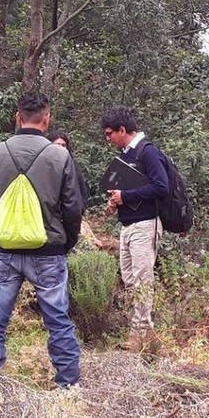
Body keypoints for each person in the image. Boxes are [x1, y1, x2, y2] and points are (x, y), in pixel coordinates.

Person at [0, 92, 83, 388]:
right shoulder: (59, 156)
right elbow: (73, 207)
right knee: (57, 319)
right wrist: (65, 243)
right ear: (47, 120)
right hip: (48, 251)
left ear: (17, 117)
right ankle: (68, 384)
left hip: (5, 250)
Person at [102, 106, 168, 353]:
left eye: (109, 133)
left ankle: (140, 337)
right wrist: (116, 201)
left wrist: (126, 196)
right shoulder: (127, 155)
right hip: (128, 225)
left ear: (122, 129)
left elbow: (162, 187)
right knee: (131, 281)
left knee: (142, 282)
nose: (108, 139)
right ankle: (146, 335)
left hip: (146, 224)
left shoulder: (147, 151)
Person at [46, 131, 88, 211]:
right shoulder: (44, 166)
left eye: (63, 145)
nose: (61, 148)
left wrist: (80, 209)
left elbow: (82, 190)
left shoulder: (73, 167)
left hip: (70, 212)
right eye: (57, 145)